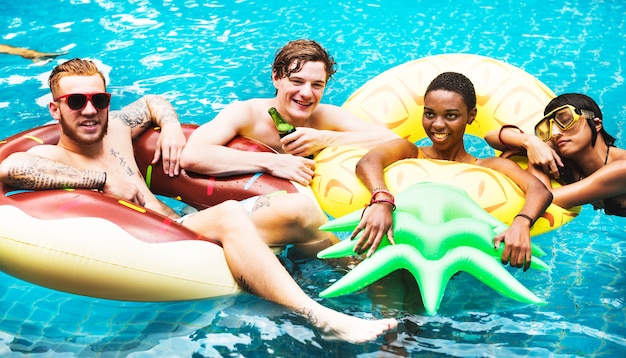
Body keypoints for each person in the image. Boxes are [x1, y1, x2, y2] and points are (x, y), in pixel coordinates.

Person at [0, 58, 397, 343]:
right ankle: (318, 315)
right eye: (75, 102)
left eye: (98, 101)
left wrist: (170, 126)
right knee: (227, 216)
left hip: (177, 228)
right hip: (145, 247)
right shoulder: (48, 156)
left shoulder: (117, 128)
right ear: (55, 109)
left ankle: (365, 283)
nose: (90, 110)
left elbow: (152, 102)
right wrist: (99, 180)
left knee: (304, 213)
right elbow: (10, 168)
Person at [179, 39, 398, 256]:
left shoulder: (325, 119)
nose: (306, 93)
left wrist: (325, 139)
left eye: (317, 85)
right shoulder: (247, 115)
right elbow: (192, 154)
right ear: (276, 77)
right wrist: (272, 162)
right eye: (297, 81)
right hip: (221, 213)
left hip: (296, 222)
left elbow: (392, 141)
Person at [349, 72, 553, 271]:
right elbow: (368, 162)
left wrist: (521, 223)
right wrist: (382, 198)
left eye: (451, 116)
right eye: (429, 114)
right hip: (399, 255)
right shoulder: (409, 152)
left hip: (463, 266)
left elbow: (539, 190)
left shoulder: (487, 167)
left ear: (471, 116)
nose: (437, 124)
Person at [485, 93, 626, 216]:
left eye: (566, 121)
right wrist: (531, 142)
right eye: (550, 128)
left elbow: (543, 197)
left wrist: (533, 154)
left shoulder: (622, 168)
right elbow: (490, 136)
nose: (555, 133)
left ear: (596, 124)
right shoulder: (566, 156)